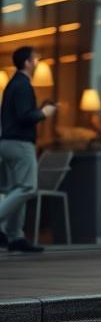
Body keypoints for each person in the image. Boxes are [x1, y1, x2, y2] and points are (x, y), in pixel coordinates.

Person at [0, 46, 58, 253]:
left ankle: (15, 237)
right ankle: (9, 231)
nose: (36, 63)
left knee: (17, 189)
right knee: (27, 187)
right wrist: (44, 113)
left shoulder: (12, 84)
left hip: (7, 143)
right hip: (20, 144)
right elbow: (25, 116)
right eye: (35, 60)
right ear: (27, 62)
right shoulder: (23, 85)